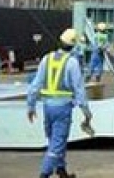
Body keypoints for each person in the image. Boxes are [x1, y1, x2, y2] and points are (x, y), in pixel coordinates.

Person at [27, 27, 93, 178]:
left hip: (47, 107)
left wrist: (30, 106)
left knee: (55, 140)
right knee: (57, 144)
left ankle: (61, 170)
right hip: (63, 108)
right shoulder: (72, 63)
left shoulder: (46, 59)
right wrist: (86, 112)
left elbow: (35, 86)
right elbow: (79, 90)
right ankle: (44, 174)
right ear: (73, 45)